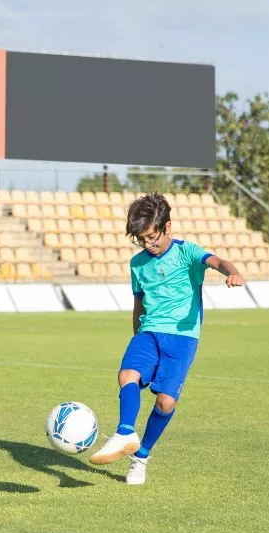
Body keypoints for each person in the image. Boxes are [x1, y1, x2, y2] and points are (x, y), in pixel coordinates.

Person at [89, 192, 245, 484]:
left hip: (183, 338)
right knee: (128, 374)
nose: (147, 244)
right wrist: (137, 334)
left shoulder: (187, 252)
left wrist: (233, 272)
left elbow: (218, 261)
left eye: (151, 237)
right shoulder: (137, 264)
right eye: (141, 239)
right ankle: (124, 432)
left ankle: (141, 458)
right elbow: (139, 303)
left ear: (167, 227)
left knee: (165, 404)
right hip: (148, 332)